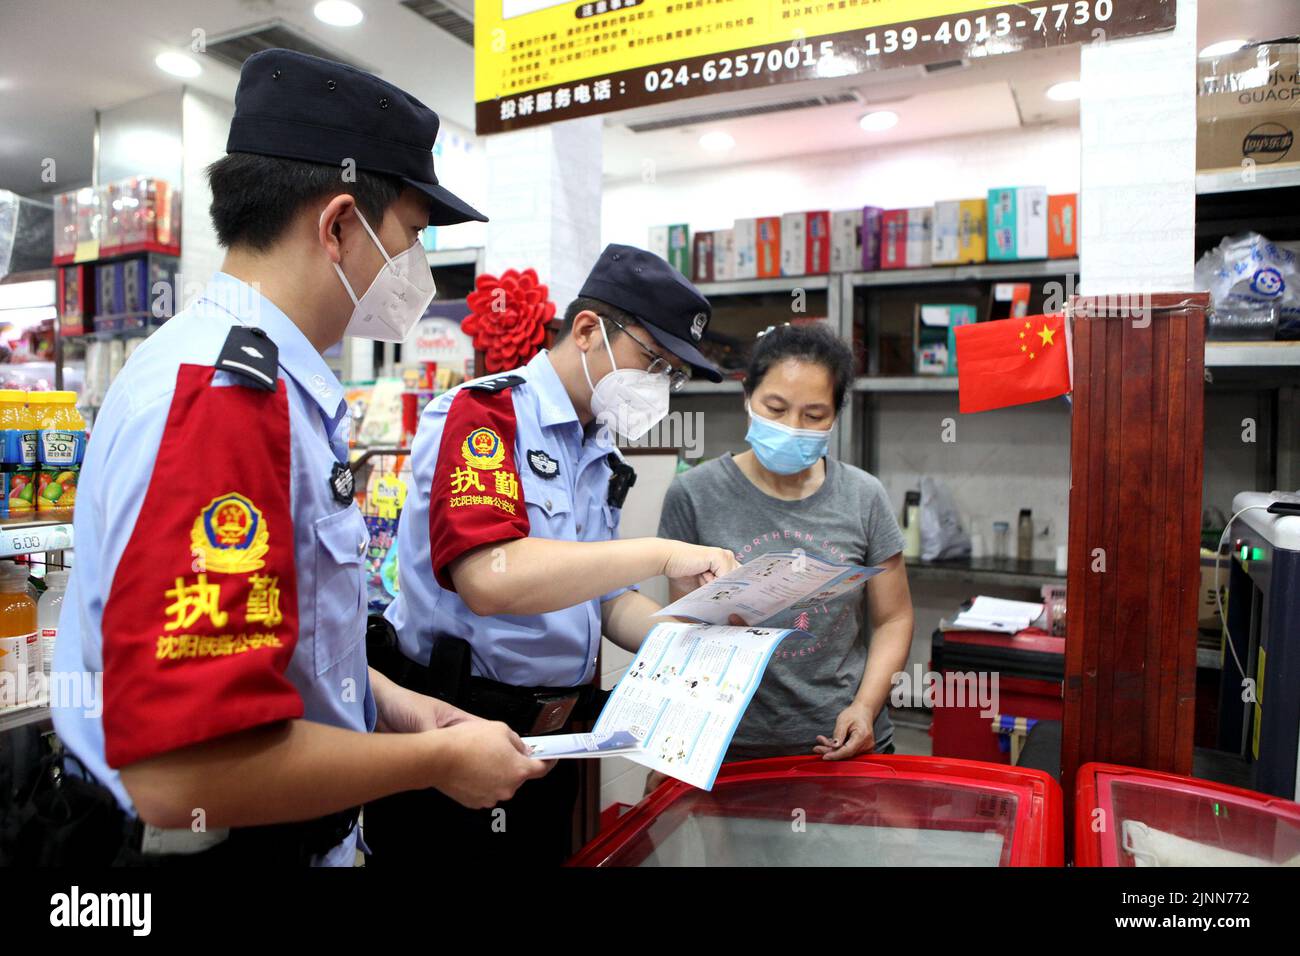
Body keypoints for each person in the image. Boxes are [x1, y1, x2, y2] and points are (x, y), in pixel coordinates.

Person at [43, 50, 548, 867]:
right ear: (340, 225)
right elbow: (185, 772)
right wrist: (437, 763)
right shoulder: (227, 400)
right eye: (412, 236)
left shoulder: (252, 375)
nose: (416, 267)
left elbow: (282, 641)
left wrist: (392, 706)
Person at [366, 243, 739, 866]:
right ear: (589, 330)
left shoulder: (600, 452)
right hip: (456, 723)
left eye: (673, 375)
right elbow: (490, 578)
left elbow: (598, 595)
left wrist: (683, 641)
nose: (660, 388)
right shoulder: (485, 416)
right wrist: (661, 551)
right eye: (653, 362)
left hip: (554, 740)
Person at [654, 323, 914, 781]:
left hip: (843, 742)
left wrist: (865, 707)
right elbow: (682, 627)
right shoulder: (694, 495)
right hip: (730, 747)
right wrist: (671, 745)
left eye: (814, 415)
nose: (793, 426)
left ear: (835, 416)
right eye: (775, 407)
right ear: (747, 397)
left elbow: (893, 618)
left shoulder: (863, 496)